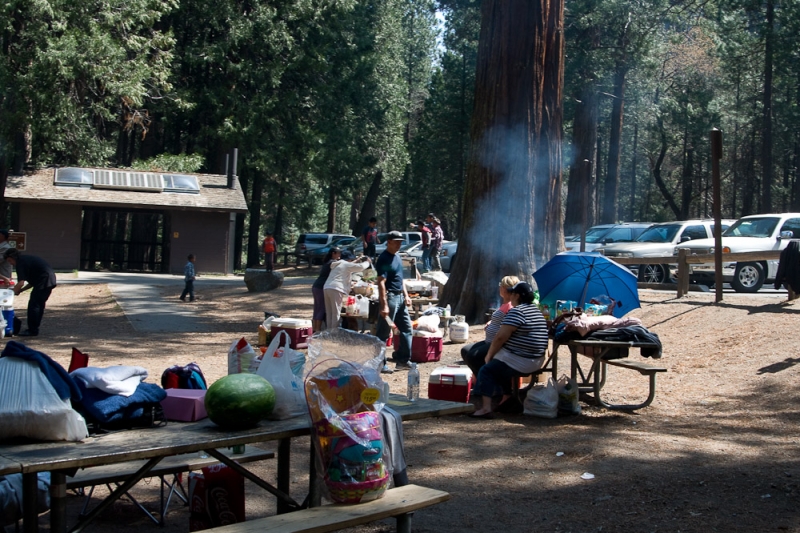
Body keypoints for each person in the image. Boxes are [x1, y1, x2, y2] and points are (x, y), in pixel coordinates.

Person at [470, 282, 549, 419]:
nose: (510, 295)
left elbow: (500, 337)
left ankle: (485, 409)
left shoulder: (517, 311)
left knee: (487, 369)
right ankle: (508, 397)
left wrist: (489, 355)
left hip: (522, 360)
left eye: (512, 293)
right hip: (536, 359)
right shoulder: (536, 311)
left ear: (517, 296)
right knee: (499, 362)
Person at [461, 275, 520, 376]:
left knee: (472, 356)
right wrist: (491, 323)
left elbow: (509, 326)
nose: (499, 287)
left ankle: (486, 381)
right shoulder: (505, 304)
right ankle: (481, 378)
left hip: (498, 344)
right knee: (465, 351)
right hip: (489, 341)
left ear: (505, 289)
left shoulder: (510, 306)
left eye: (500, 285)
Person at [375, 231, 414, 371]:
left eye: (401, 242)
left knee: (407, 329)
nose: (399, 244)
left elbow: (400, 278)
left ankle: (403, 360)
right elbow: (381, 282)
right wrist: (384, 305)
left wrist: (406, 295)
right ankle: (380, 363)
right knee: (384, 332)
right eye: (396, 241)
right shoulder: (384, 258)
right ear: (389, 241)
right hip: (390, 298)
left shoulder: (397, 257)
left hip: (400, 298)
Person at [3, 248, 57, 337]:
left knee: (34, 306)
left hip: (44, 281)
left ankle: (32, 330)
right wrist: (21, 290)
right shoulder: (25, 259)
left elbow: (21, 282)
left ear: (13, 258)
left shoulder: (20, 263)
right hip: (48, 280)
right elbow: (31, 282)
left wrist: (11, 293)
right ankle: (34, 328)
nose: (10, 263)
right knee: (39, 305)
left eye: (10, 261)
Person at [323, 255, 372, 331]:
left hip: (327, 288)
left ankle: (328, 331)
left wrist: (357, 260)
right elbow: (360, 267)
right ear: (349, 259)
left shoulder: (338, 265)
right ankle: (334, 332)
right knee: (336, 312)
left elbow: (352, 265)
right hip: (336, 288)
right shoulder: (346, 265)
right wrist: (367, 262)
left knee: (329, 312)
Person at [312, 247, 341, 332]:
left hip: (316, 286)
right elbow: (345, 265)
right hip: (321, 287)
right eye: (338, 253)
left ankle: (315, 328)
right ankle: (317, 329)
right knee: (321, 308)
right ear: (333, 253)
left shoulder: (328, 262)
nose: (340, 255)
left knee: (317, 307)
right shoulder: (333, 263)